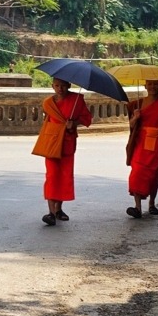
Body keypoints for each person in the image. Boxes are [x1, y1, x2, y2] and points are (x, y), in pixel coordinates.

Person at [39, 77, 92, 226]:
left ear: (69, 85)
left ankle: (58, 209)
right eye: (57, 85)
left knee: (64, 176)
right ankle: (50, 212)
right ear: (52, 86)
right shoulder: (48, 103)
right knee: (51, 176)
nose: (60, 89)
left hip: (67, 142)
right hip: (52, 141)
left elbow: (87, 119)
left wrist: (74, 123)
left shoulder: (77, 100)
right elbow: (48, 122)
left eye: (63, 85)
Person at [125, 79, 158, 219]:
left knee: (154, 175)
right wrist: (135, 117)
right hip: (140, 142)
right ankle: (137, 207)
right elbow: (131, 125)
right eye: (150, 84)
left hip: (156, 144)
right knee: (137, 172)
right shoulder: (137, 104)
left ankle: (152, 204)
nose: (152, 87)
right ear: (145, 86)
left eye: (155, 84)